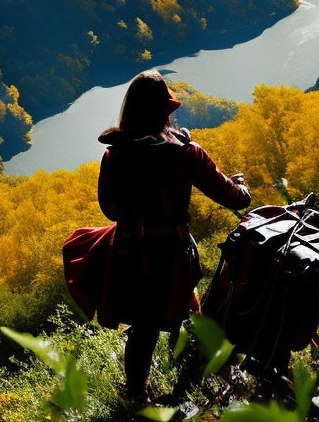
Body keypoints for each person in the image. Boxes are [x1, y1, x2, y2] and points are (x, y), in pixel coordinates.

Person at [97, 70, 251, 400]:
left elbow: (109, 209)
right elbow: (232, 196)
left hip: (129, 250)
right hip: (172, 251)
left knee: (143, 325)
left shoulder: (114, 154)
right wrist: (243, 188)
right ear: (164, 111)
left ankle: (137, 393)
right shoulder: (184, 153)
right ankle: (191, 382)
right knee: (189, 312)